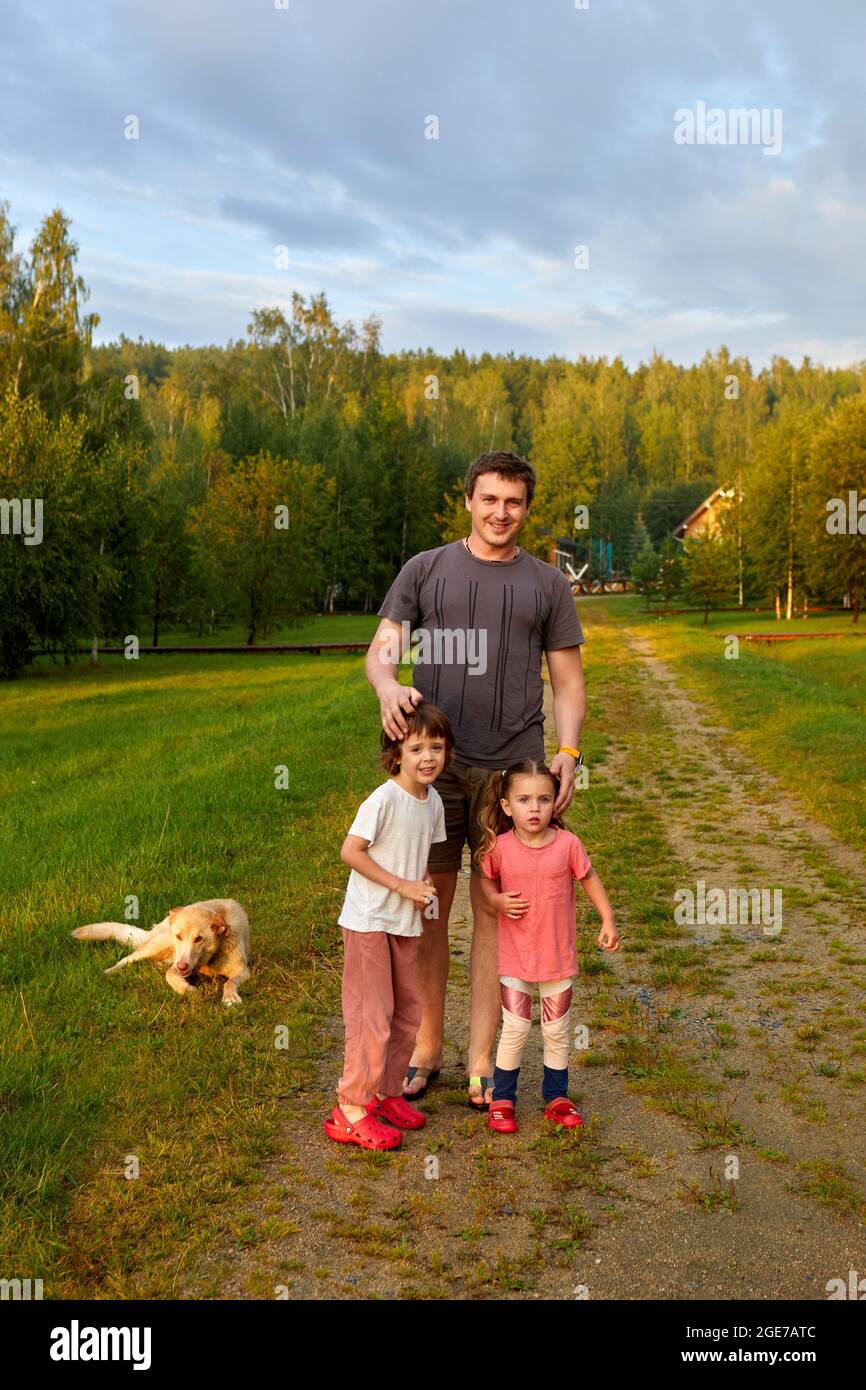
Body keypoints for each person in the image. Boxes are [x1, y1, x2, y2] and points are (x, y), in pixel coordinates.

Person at [366, 450, 586, 1110]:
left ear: (526, 508)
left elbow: (569, 681)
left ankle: (486, 1058)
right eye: (489, 499)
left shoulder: (547, 585)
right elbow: (383, 649)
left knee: (497, 913)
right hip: (431, 770)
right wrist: (385, 685)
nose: (501, 513)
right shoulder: (425, 570)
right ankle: (429, 1048)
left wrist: (569, 751)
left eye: (514, 502)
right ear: (468, 500)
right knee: (430, 909)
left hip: (512, 776)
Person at [323, 702, 453, 1151]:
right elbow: (351, 852)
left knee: (405, 1014)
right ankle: (351, 1108)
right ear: (396, 755)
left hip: (403, 922)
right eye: (416, 748)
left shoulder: (431, 800)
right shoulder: (383, 799)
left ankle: (387, 1092)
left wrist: (424, 884)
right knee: (370, 1016)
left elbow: (419, 855)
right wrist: (401, 885)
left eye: (436, 747)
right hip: (368, 922)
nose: (427, 757)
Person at [476, 760, 620, 1134]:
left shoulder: (568, 845)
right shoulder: (500, 848)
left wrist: (607, 919)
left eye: (543, 799)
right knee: (516, 1028)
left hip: (557, 958)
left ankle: (556, 1096)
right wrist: (496, 901)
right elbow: (486, 883)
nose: (534, 807)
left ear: (555, 802)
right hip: (516, 960)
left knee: (557, 1031)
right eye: (524, 799)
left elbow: (589, 879)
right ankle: (504, 1098)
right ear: (507, 806)